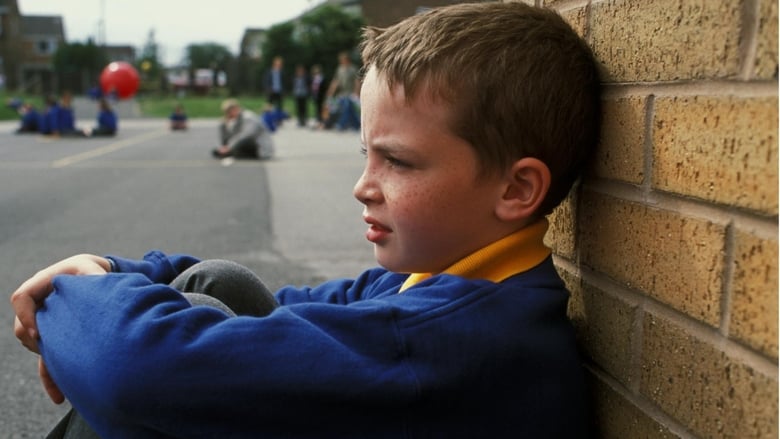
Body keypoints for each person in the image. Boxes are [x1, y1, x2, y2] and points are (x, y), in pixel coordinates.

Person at [10, 3, 602, 438]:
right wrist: (112, 270)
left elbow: (135, 373)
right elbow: (291, 305)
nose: (362, 187)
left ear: (517, 189)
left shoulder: (448, 342)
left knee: (149, 379)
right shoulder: (449, 281)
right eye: (364, 154)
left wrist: (74, 297)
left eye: (396, 161)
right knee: (213, 285)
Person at [326, 51, 361, 131]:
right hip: (342, 93)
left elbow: (357, 81)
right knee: (348, 109)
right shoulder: (340, 69)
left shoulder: (353, 69)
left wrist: (356, 92)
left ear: (347, 59)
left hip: (350, 93)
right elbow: (336, 81)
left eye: (343, 59)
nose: (341, 61)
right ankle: (356, 125)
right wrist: (331, 90)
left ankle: (341, 124)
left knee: (347, 108)